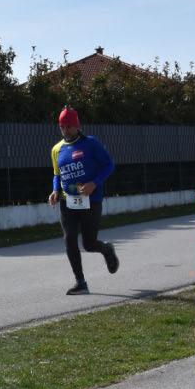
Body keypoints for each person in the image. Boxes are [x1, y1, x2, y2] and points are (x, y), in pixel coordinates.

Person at [48, 106, 118, 295]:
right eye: (62, 127)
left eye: (69, 126)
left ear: (77, 126)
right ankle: (81, 282)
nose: (65, 130)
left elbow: (109, 165)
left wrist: (94, 183)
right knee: (69, 239)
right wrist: (55, 190)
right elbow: (57, 174)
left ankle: (106, 250)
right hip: (67, 202)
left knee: (89, 244)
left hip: (91, 200)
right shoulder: (56, 150)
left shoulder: (91, 143)